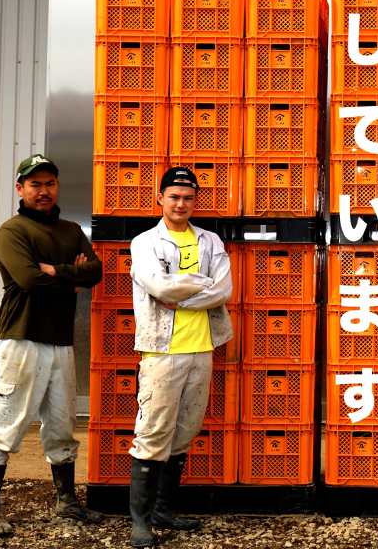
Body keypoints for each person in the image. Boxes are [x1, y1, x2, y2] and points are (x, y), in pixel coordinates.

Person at [0, 154, 105, 534]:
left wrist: (59, 271)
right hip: (21, 339)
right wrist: (72, 279)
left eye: (50, 183)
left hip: (60, 343)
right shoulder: (12, 231)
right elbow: (30, 281)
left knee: (63, 425)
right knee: (6, 424)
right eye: (35, 184)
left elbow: (95, 270)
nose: (44, 190)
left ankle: (67, 502)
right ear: (20, 189)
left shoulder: (70, 231)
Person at [127, 167, 233, 548]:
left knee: (184, 432)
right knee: (153, 432)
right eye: (173, 196)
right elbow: (157, 286)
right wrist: (195, 285)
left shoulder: (209, 240)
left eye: (188, 197)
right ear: (160, 198)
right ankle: (140, 521)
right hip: (161, 350)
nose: (181, 204)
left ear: (195, 201)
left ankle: (163, 510)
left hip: (202, 348)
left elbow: (222, 290)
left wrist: (180, 291)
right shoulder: (145, 242)